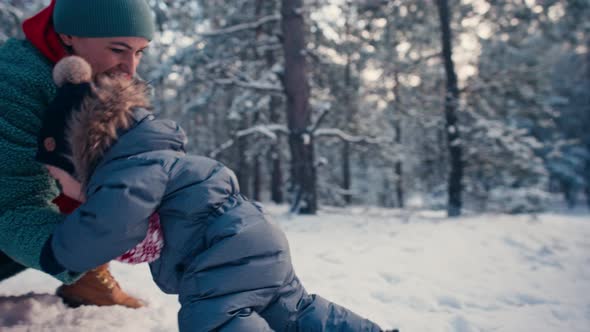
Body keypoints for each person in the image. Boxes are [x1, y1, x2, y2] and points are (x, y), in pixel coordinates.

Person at [38, 56, 391, 332]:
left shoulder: (126, 171)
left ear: (76, 157)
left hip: (220, 254)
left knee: (213, 318)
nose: (59, 187)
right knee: (294, 310)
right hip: (255, 234)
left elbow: (109, 224)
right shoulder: (156, 158)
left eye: (57, 176)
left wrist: (57, 251)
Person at [0, 0, 156, 308]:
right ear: (68, 35)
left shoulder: (94, 84)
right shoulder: (14, 83)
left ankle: (88, 280)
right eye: (117, 49)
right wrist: (75, 253)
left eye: (139, 52)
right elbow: (11, 204)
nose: (131, 67)